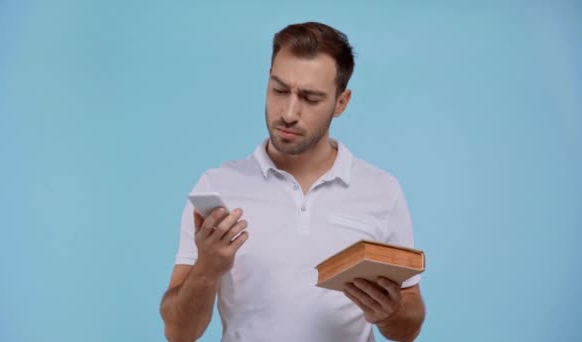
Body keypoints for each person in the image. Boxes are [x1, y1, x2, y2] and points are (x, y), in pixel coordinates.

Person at [160, 22, 425, 342]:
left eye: (310, 98)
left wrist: (391, 312)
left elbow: (409, 326)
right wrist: (207, 269)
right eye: (279, 90)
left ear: (341, 102)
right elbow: (178, 333)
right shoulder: (217, 188)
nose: (288, 112)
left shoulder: (382, 190)